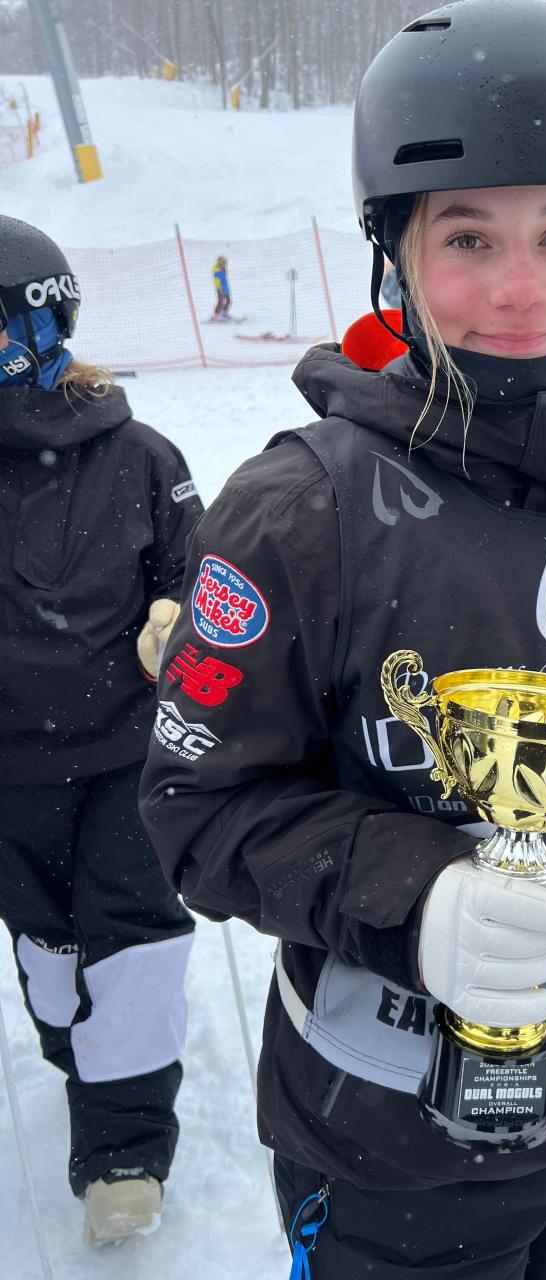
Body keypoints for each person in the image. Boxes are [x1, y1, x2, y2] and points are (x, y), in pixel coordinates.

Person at [139, 3, 546, 1276]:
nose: (524, 288)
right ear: (394, 257)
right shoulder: (302, 508)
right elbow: (197, 809)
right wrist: (414, 886)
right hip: (387, 1150)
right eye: (468, 236)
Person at [0, 217, 202, 1242]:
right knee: (49, 951)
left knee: (134, 942)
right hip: (10, 771)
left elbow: (194, 563)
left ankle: (124, 1151)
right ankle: (76, 1053)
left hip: (129, 751)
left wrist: (177, 612)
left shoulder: (137, 453)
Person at [211, 253, 231, 318]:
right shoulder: (217, 271)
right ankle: (216, 314)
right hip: (220, 288)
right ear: (219, 263)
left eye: (224, 263)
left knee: (228, 300)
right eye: (222, 263)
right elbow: (216, 281)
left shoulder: (223, 270)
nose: (223, 264)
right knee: (220, 301)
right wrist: (219, 288)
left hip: (225, 288)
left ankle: (224, 313)